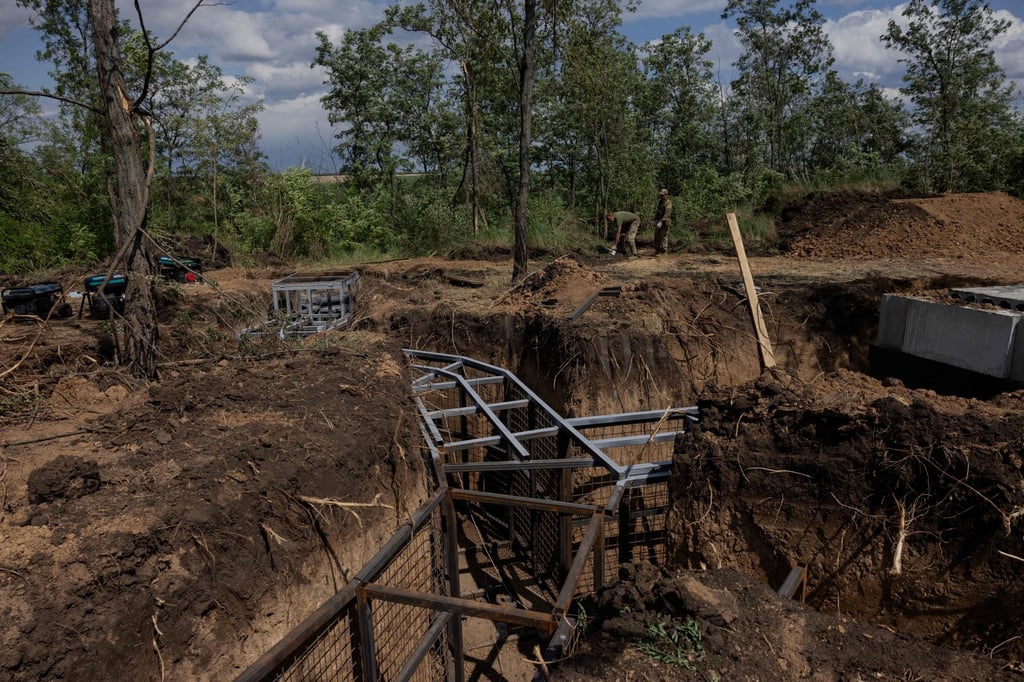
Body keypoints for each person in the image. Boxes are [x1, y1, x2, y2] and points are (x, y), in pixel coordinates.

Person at [654, 188, 672, 254]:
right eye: (661, 195)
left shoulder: (668, 202)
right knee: (656, 235)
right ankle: (657, 250)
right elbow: (658, 211)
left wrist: (661, 221)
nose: (661, 196)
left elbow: (667, 213)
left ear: (666, 195)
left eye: (663, 195)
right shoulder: (660, 202)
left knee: (664, 236)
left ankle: (664, 251)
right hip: (659, 221)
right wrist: (655, 219)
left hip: (665, 221)